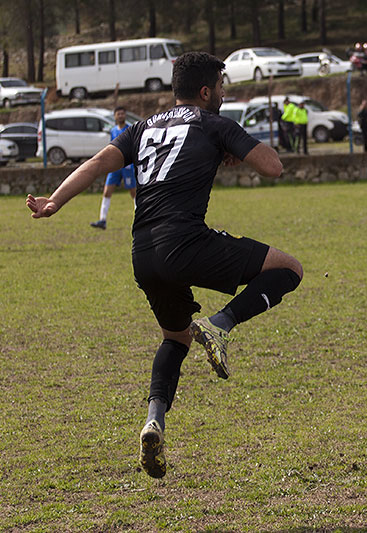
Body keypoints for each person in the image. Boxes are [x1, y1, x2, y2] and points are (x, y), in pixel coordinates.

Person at [26, 51, 303, 479]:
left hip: (143, 254)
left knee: (174, 339)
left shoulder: (141, 127)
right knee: (289, 269)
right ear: (207, 91)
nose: (225, 95)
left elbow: (99, 164)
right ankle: (221, 323)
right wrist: (232, 145)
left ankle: (154, 421)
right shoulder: (214, 123)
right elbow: (274, 167)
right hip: (185, 242)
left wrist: (54, 202)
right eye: (223, 88)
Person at [89, 107, 136, 229]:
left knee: (134, 193)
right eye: (118, 114)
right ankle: (102, 220)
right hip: (115, 166)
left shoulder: (130, 129)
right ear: (114, 116)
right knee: (107, 191)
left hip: (127, 166)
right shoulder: (113, 130)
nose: (120, 116)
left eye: (122, 114)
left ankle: (140, 218)